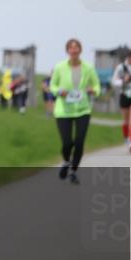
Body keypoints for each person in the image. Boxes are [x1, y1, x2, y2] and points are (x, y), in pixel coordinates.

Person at [50, 38, 101, 184]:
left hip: (82, 110)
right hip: (63, 110)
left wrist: (93, 90)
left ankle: (73, 171)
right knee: (67, 143)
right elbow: (52, 86)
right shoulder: (60, 67)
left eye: (76, 47)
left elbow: (97, 86)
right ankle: (66, 161)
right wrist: (60, 91)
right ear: (67, 51)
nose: (74, 50)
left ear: (80, 50)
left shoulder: (88, 68)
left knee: (79, 142)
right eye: (71, 48)